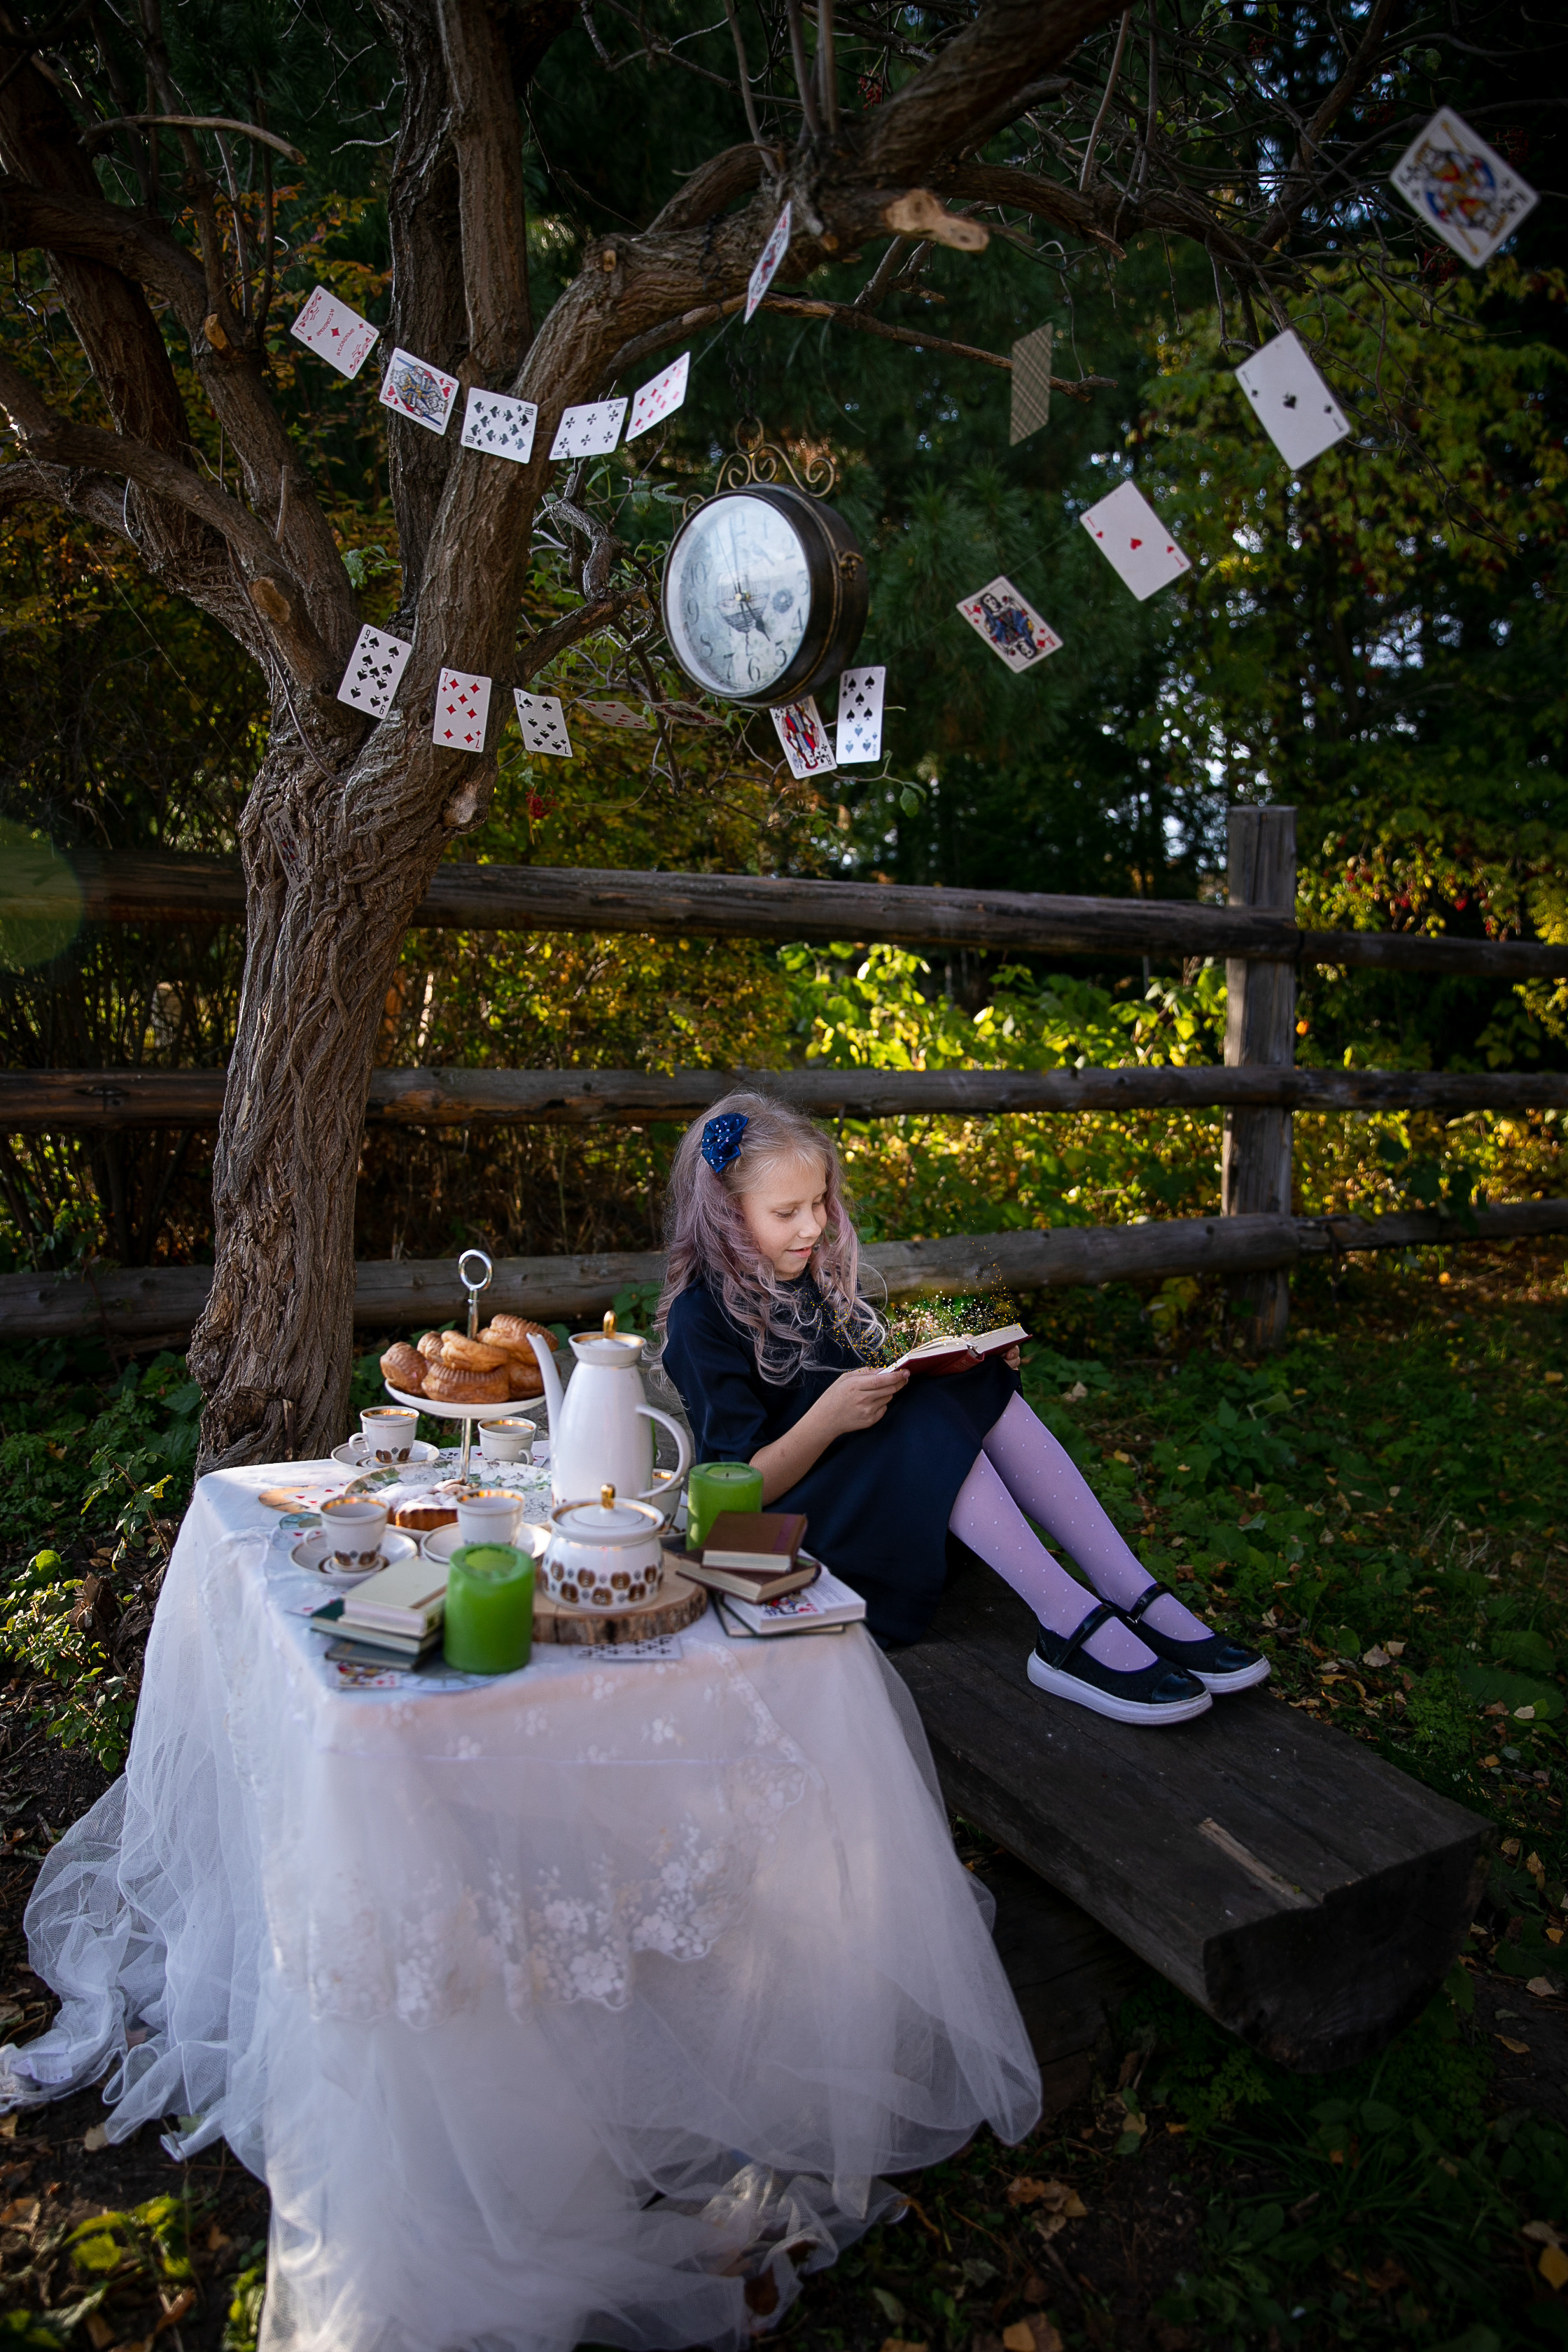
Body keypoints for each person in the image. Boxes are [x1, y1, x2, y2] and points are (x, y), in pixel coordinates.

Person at [657, 1093, 1268, 1727]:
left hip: (867, 1506)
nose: (813, 1227)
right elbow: (739, 1490)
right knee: (923, 1416)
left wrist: (961, 1365)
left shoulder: (806, 1276)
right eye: (787, 1212)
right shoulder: (700, 1318)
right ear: (727, 1215)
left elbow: (869, 1385)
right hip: (788, 1545)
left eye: (818, 1204)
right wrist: (829, 1418)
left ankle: (1126, 1586)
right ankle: (1066, 1620)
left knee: (959, 1387)